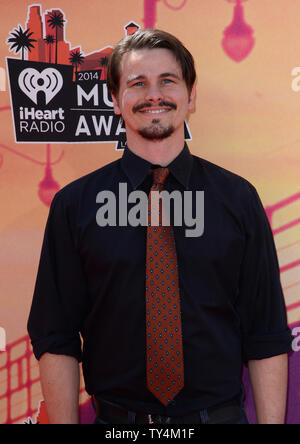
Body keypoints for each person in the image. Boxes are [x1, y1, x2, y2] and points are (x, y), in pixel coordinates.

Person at [27, 29, 292, 425]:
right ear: (115, 100)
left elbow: (266, 332)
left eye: (168, 80)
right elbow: (56, 336)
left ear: (191, 94)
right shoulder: (74, 206)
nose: (154, 95)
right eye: (137, 83)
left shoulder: (238, 200)